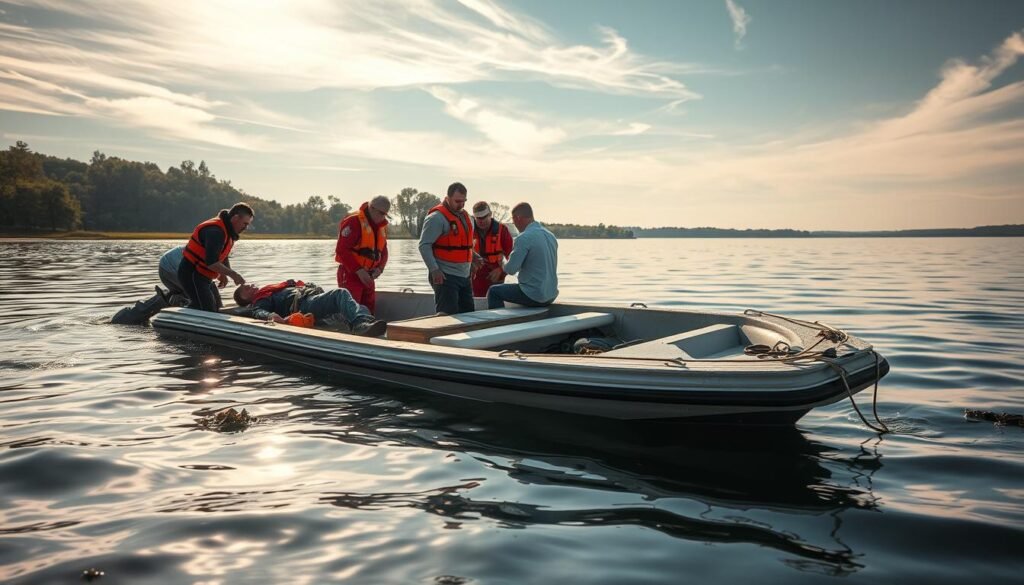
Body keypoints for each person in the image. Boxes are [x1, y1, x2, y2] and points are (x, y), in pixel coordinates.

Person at [233, 280, 387, 337]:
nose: (250, 286)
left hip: (311, 299)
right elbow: (258, 312)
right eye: (246, 289)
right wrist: (270, 316)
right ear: (246, 300)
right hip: (305, 305)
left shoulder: (269, 290)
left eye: (249, 284)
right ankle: (360, 326)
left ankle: (365, 328)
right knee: (340, 293)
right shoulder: (260, 300)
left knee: (362, 307)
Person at [418, 182, 479, 314]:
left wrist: (474, 257)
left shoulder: (467, 218)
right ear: (448, 198)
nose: (461, 205)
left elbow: (462, 245)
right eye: (457, 201)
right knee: (447, 316)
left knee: (469, 315)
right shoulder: (436, 218)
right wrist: (434, 270)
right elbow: (424, 245)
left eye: (464, 201)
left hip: (464, 276)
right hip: (445, 276)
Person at [178, 203, 252, 312]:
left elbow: (223, 255)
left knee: (217, 308)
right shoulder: (216, 232)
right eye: (245, 224)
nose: (246, 227)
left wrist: (223, 273)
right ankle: (177, 308)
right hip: (192, 275)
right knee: (206, 310)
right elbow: (211, 263)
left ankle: (180, 301)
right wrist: (232, 274)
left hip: (205, 277)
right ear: (235, 218)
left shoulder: (227, 231)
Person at [487, 202, 558, 309]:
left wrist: (502, 261)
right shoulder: (550, 236)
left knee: (493, 291)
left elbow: (511, 269)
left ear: (518, 218)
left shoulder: (524, 238)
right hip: (551, 295)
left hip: (534, 296)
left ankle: (499, 324)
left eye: (513, 220)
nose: (514, 224)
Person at [335, 195, 390, 314]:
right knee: (351, 311)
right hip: (351, 274)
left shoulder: (382, 227)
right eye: (381, 213)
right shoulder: (354, 221)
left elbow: (384, 252)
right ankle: (347, 331)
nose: (383, 217)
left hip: (369, 276)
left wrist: (380, 269)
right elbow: (342, 250)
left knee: (369, 310)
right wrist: (359, 270)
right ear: (372, 208)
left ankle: (368, 328)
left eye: (386, 214)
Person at [470, 201, 514, 298]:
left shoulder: (502, 230)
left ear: (490, 214)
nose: (481, 221)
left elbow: (513, 258)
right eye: (478, 218)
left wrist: (501, 270)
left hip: (496, 275)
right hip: (474, 276)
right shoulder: (469, 230)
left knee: (495, 302)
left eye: (484, 217)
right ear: (474, 217)